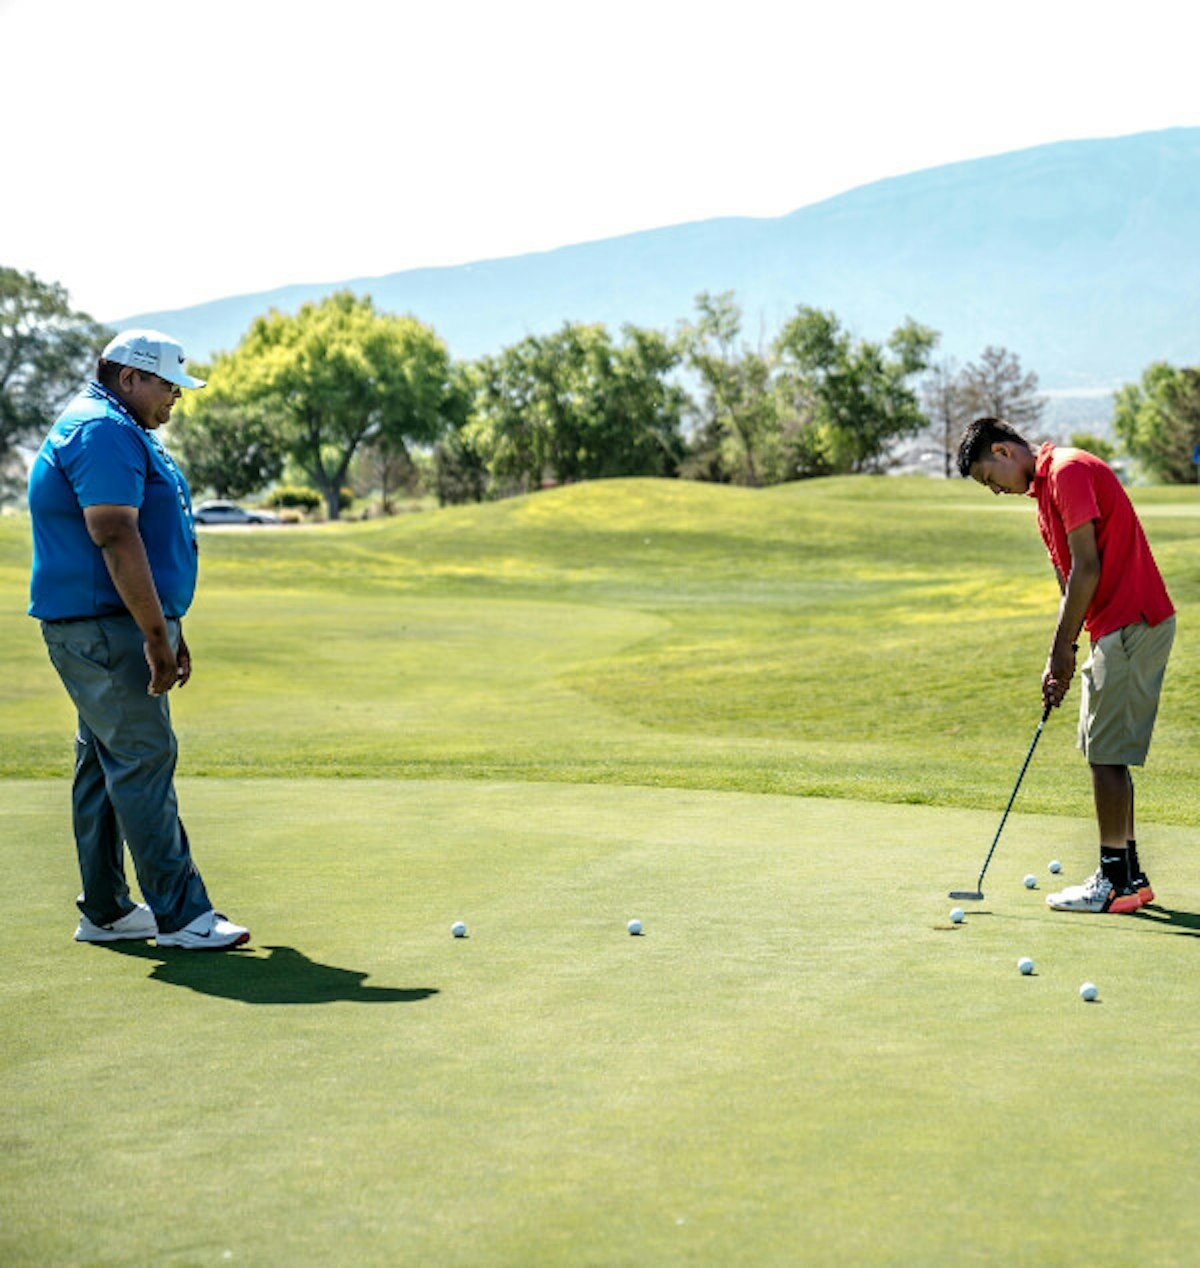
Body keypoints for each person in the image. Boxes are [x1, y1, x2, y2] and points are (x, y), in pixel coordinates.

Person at [28, 329, 250, 949]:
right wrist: (155, 633)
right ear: (129, 377)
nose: (175, 398)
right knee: (143, 760)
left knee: (103, 764)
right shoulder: (103, 431)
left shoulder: (116, 428)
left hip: (111, 623)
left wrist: (167, 625)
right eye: (167, 385)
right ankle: (182, 916)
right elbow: (114, 533)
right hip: (106, 626)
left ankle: (107, 910)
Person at [957, 417, 1175, 914]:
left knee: (1104, 754)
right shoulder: (1044, 497)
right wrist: (1061, 654)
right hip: (1114, 626)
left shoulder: (1069, 472)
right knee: (1107, 750)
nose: (996, 491)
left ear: (1003, 450)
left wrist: (1063, 649)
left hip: (1130, 620)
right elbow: (1069, 585)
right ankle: (1131, 875)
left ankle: (1114, 881)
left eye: (991, 479)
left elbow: (1088, 567)